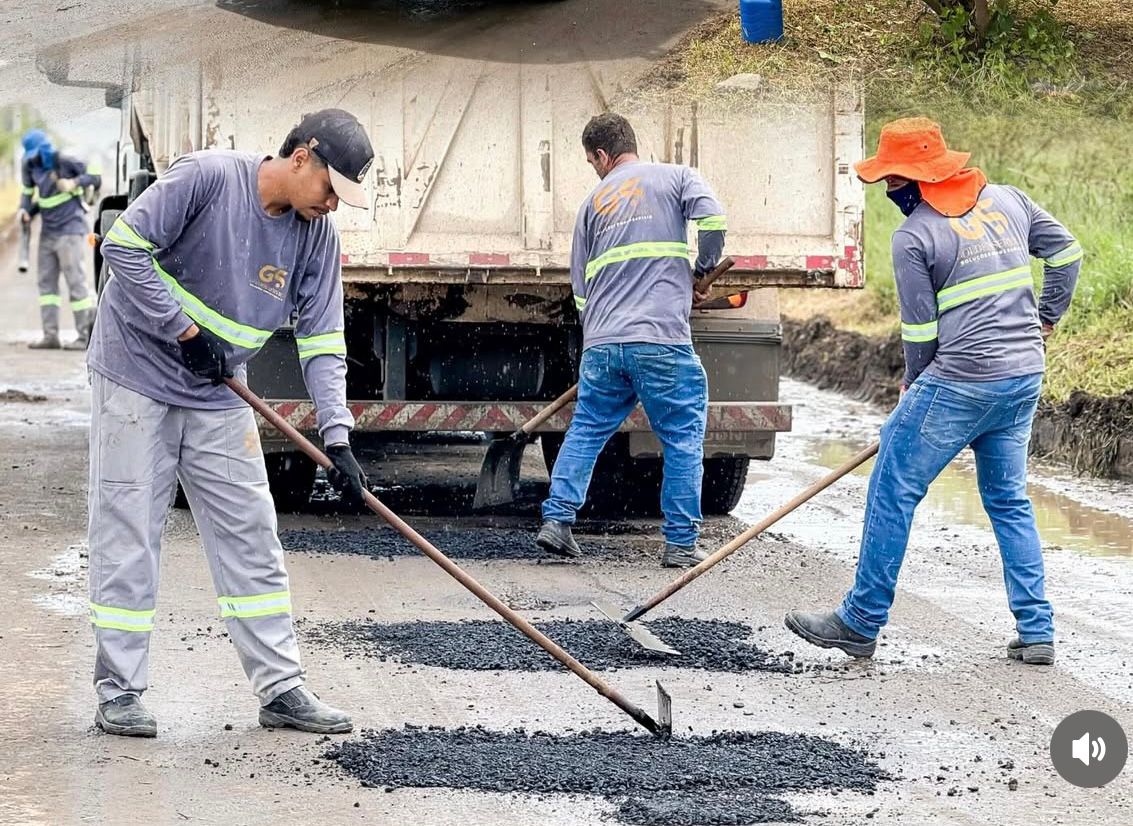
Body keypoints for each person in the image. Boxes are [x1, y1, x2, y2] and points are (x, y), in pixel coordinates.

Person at [87, 108, 375, 737]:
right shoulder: (209, 178)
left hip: (219, 393)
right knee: (130, 528)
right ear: (302, 156)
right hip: (136, 373)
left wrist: (338, 438)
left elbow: (324, 340)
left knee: (251, 535)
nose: (333, 204)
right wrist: (184, 331)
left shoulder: (316, 237)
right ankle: (120, 692)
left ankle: (281, 688)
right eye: (331, 188)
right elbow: (123, 248)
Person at [785, 117, 1082, 665]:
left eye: (893, 181)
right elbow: (1067, 254)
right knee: (1009, 500)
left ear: (917, 181)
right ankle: (1037, 630)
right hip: (1021, 377)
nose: (889, 191)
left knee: (892, 488)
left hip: (960, 379)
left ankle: (860, 620)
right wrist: (1046, 320)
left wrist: (911, 389)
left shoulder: (914, 235)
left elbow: (920, 334)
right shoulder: (1009, 201)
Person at [535, 112, 727, 568]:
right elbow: (714, 221)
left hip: (603, 345)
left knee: (585, 430)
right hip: (661, 341)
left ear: (603, 155)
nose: (594, 169)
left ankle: (557, 521)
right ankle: (680, 544)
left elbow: (580, 288)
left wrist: (601, 334)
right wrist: (703, 270)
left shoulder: (591, 204)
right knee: (681, 438)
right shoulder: (677, 177)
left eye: (591, 161)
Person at [17, 128, 101, 350]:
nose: (36, 157)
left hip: (70, 229)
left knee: (76, 284)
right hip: (48, 232)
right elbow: (27, 193)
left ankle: (84, 337)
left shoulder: (64, 161)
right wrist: (25, 210)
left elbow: (95, 176)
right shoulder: (29, 165)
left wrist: (75, 183)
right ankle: (50, 336)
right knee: (46, 285)